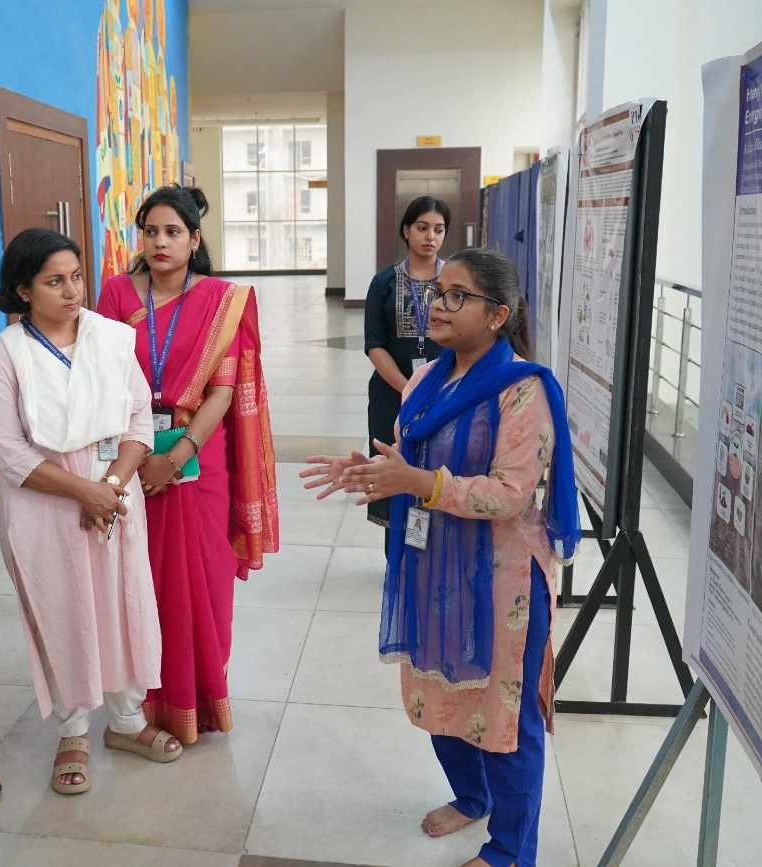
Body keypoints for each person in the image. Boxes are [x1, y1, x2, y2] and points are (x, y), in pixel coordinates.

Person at [301, 248, 580, 867]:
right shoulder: (426, 377)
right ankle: (472, 797)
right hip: (433, 566)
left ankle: (511, 851)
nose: (439, 305)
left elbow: (510, 495)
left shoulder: (524, 390)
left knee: (504, 713)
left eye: (458, 296)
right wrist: (369, 469)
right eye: (438, 293)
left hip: (503, 579)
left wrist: (419, 483)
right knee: (442, 690)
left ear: (498, 314)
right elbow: (410, 457)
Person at [0, 228, 181, 795]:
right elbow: (9, 452)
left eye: (75, 277)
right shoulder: (5, 358)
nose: (72, 291)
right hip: (43, 507)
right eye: (54, 281)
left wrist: (108, 487)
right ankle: (72, 730)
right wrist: (83, 493)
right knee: (61, 608)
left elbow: (139, 421)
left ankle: (126, 720)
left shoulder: (110, 339)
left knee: (122, 603)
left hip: (114, 497)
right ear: (23, 291)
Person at [96, 185, 278, 743]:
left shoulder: (222, 301)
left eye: (173, 231)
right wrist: (136, 458)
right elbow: (103, 378)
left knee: (205, 580)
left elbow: (222, 391)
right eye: (150, 231)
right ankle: (140, 706)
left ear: (195, 240)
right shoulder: (117, 293)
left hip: (199, 460)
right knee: (140, 579)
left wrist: (175, 458)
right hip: (130, 450)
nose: (160, 242)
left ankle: (199, 698)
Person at [364, 196, 452, 536]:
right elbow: (375, 345)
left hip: (447, 393)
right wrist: (410, 390)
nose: (431, 236)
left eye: (439, 230)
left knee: (441, 470)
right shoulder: (383, 282)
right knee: (393, 469)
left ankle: (436, 554)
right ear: (406, 230)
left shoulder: (456, 282)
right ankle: (397, 554)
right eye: (422, 227)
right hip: (392, 395)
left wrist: (433, 392)